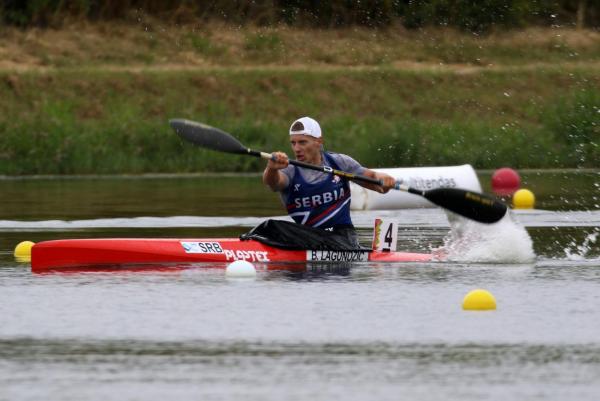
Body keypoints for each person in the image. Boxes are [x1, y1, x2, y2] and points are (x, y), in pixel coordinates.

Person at [262, 116, 396, 247]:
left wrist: (384, 179)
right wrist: (271, 169)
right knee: (270, 226)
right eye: (293, 143)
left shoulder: (340, 163)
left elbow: (377, 183)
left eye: (302, 142)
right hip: (306, 238)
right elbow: (273, 183)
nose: (297, 149)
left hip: (343, 238)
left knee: (274, 227)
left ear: (318, 142)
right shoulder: (289, 171)